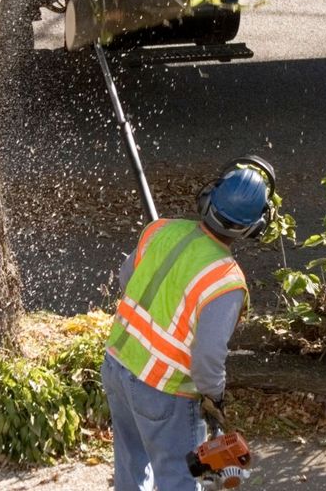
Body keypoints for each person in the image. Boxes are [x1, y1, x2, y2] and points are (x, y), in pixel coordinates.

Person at [101, 156, 276, 491]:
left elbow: (127, 281)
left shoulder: (161, 230)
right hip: (163, 391)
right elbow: (208, 356)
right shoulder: (225, 280)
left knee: (130, 464)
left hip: (117, 365)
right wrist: (214, 396)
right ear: (253, 228)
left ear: (209, 196)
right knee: (178, 480)